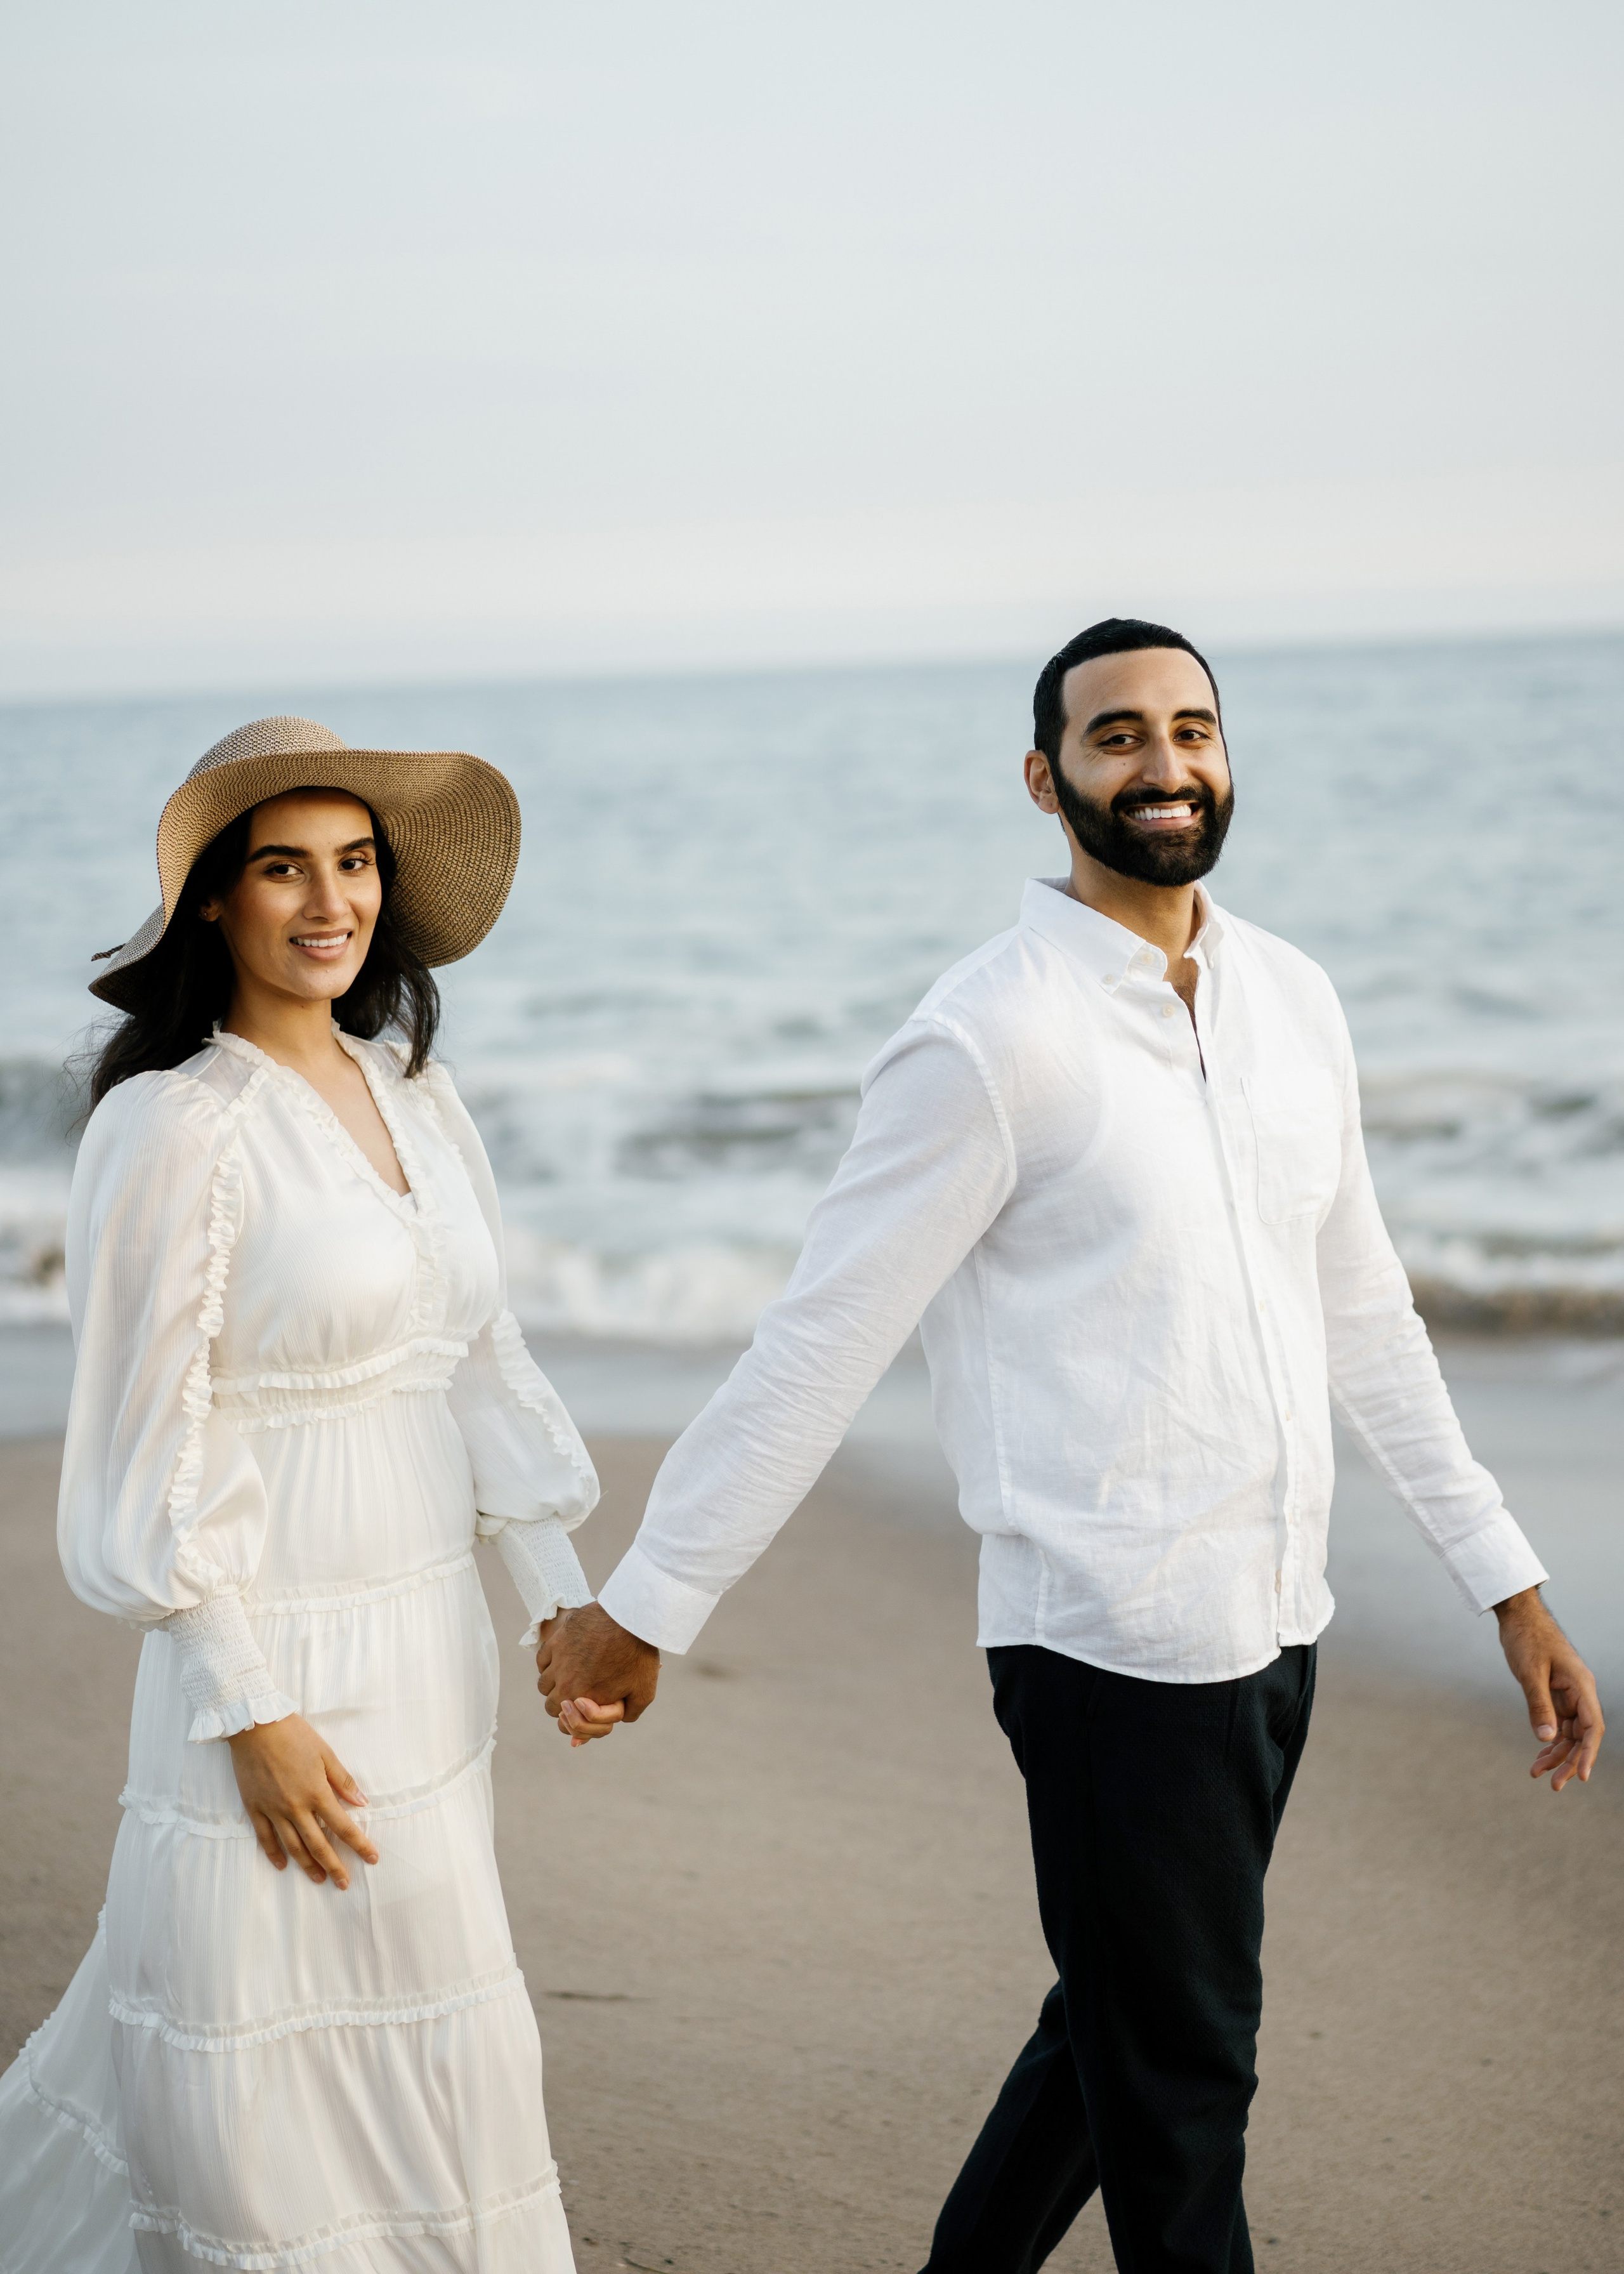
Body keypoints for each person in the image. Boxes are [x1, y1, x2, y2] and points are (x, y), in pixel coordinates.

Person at [537, 621, 1606, 2274]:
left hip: (1274, 1621)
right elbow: (822, 1339)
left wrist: (1505, 1581)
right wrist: (651, 1601)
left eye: (1191, 729)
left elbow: (1364, 1315)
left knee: (1118, 2027)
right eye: (1117, 737)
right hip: (1108, 1642)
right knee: (1184, 2090)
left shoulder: (1291, 998)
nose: (1163, 766)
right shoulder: (991, 1037)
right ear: (1046, 781)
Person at [0, 716, 613, 2272]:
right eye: (284, 868)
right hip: (263, 1663)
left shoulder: (417, 1094)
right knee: (249, 2061)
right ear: (215, 898)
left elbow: (475, 1363)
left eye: (354, 864)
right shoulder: (174, 1125)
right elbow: (145, 1443)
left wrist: (559, 1598)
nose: (329, 902)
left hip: (426, 1648)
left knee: (432, 2027)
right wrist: (248, 1707)